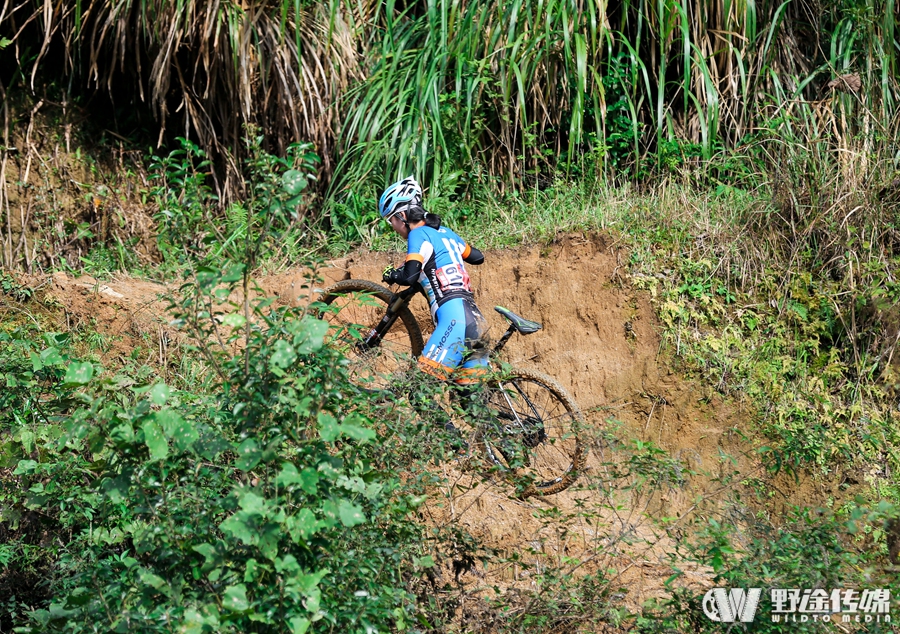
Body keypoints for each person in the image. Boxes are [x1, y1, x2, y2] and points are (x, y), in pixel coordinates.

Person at [378, 176, 489, 444]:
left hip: (455, 321)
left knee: (418, 392)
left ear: (403, 215)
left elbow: (409, 274)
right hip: (477, 321)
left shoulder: (418, 234)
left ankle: (456, 448)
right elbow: (477, 256)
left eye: (391, 220)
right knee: (469, 402)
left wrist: (392, 274)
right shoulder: (445, 233)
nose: (393, 227)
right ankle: (512, 440)